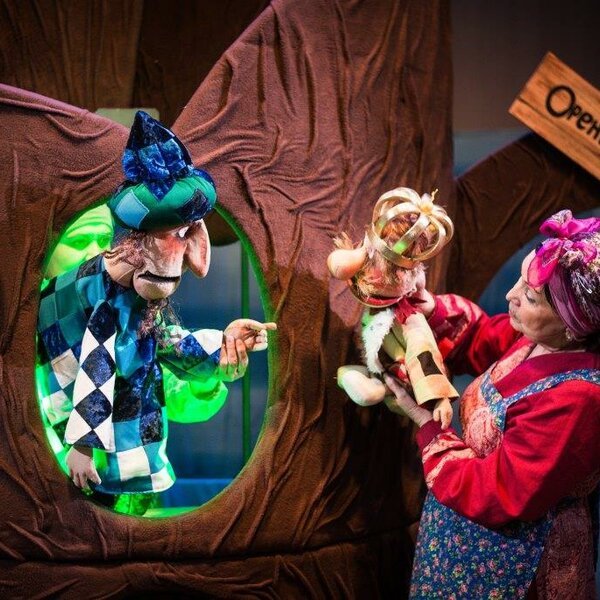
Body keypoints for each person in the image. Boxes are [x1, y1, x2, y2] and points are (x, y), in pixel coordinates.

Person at [37, 111, 275, 513]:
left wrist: (221, 350)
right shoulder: (51, 315)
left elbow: (172, 361)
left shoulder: (133, 306)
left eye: (103, 240)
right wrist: (82, 444)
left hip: (130, 476)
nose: (96, 253)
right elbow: (97, 361)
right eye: (81, 242)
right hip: (59, 485)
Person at [383, 209, 600, 598]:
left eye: (529, 296)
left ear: (573, 324)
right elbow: (484, 338)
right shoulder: (539, 339)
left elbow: (502, 490)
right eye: (520, 281)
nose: (510, 295)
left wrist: (427, 425)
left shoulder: (578, 398)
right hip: (465, 539)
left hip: (512, 562)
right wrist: (430, 309)